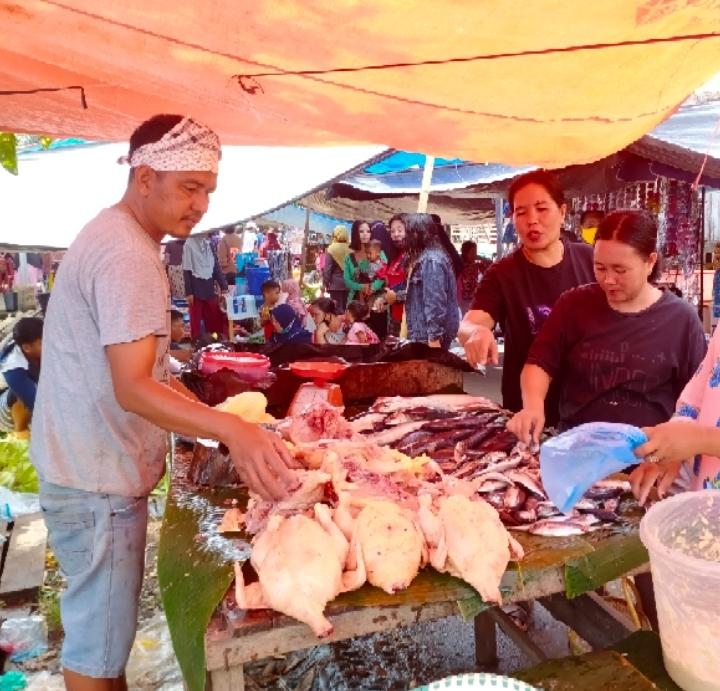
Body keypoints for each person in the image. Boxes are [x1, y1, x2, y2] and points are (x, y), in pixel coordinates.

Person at [30, 114, 296, 691]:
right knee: (97, 651)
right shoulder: (126, 253)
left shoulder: (123, 237)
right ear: (145, 177)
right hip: (94, 482)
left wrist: (216, 423)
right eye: (189, 188)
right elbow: (133, 388)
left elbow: (146, 371)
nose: (200, 205)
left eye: (208, 190)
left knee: (102, 640)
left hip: (87, 471)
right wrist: (231, 431)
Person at [507, 210, 706, 444]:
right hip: (576, 449)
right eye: (600, 268)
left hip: (648, 459)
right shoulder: (573, 304)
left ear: (650, 262)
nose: (608, 279)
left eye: (620, 270)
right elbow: (539, 364)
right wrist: (532, 406)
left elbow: (697, 400)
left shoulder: (681, 319)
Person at [459, 170, 595, 425]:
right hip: (528, 413)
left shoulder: (590, 259)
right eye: (521, 212)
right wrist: (476, 333)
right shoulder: (502, 273)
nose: (532, 220)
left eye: (542, 209)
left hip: (588, 403)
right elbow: (470, 323)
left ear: (563, 212)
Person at [403, 213, 460, 349]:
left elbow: (435, 301)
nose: (406, 237)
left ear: (418, 234)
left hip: (428, 336)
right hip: (426, 334)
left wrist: (434, 338)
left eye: (408, 233)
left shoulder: (431, 260)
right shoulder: (431, 256)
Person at [0, 317, 43, 437]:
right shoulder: (13, 369)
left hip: (34, 400)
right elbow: (37, 406)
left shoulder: (39, 349)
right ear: (27, 348)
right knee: (23, 393)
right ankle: (20, 433)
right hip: (5, 415)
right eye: (42, 343)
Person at [182, 234, 228, 340]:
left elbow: (215, 267)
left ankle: (214, 341)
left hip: (209, 288)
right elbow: (186, 270)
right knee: (195, 322)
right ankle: (197, 344)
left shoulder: (208, 244)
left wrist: (224, 286)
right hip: (195, 290)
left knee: (214, 318)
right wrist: (189, 292)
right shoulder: (189, 244)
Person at [344, 220, 386, 305]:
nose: (365, 234)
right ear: (355, 233)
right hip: (355, 303)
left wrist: (373, 287)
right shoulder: (349, 258)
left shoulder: (379, 253)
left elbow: (384, 273)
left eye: (368, 231)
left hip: (377, 302)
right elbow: (347, 281)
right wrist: (362, 287)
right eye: (361, 231)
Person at [383, 214, 408, 337]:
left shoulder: (413, 258)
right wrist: (383, 299)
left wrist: (396, 296)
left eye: (400, 230)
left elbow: (420, 290)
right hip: (394, 317)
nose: (396, 234)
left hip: (409, 321)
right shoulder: (395, 256)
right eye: (392, 231)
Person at [323, 226, 351, 313]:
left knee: (337, 310)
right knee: (348, 309)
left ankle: (338, 326)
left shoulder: (331, 249)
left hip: (335, 286)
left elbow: (327, 270)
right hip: (349, 285)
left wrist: (325, 284)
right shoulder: (351, 249)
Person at [457, 240, 482, 315]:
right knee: (467, 317)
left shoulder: (476, 265)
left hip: (473, 297)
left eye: (475, 252)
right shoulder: (460, 265)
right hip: (464, 298)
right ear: (465, 253)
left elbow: (490, 264)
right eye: (472, 253)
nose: (474, 255)